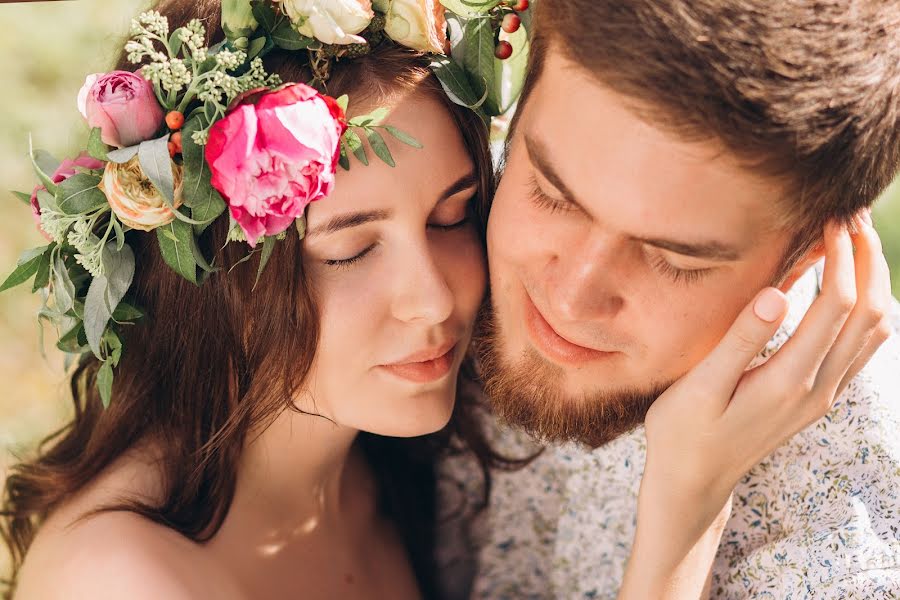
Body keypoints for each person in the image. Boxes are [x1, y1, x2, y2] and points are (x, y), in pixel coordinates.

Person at [0, 2, 889, 600]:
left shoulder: (390, 471)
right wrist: (680, 526)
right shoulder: (124, 578)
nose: (435, 303)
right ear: (207, 264)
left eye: (456, 214)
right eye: (347, 250)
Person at [457, 0, 900, 598]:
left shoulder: (843, 557)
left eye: (676, 258)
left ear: (813, 258)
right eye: (553, 194)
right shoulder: (431, 217)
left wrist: (682, 528)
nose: (573, 297)